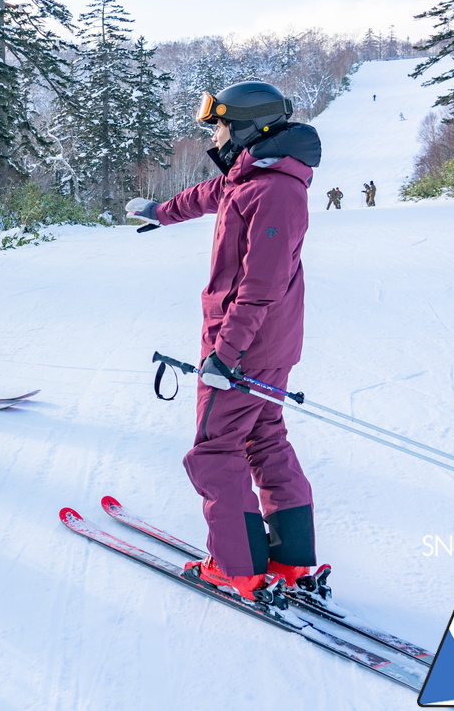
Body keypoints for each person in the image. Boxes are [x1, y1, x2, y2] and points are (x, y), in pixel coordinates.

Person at [126, 80, 320, 602]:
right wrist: (160, 212)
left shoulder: (275, 190)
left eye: (219, 124)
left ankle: (239, 568)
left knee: (215, 453)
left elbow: (260, 287)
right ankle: (290, 559)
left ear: (247, 127)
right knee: (264, 440)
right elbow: (210, 194)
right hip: (266, 344)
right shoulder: (253, 176)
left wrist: (224, 355)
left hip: (245, 347)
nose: (214, 134)